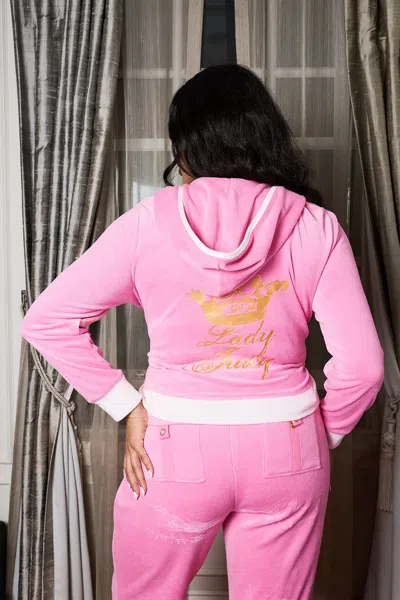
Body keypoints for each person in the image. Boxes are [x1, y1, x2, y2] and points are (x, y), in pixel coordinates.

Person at [20, 64, 384, 600]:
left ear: (187, 146)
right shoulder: (315, 225)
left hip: (175, 447)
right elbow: (365, 367)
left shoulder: (146, 223)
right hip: (288, 446)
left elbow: (45, 320)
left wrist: (127, 405)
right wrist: (317, 436)